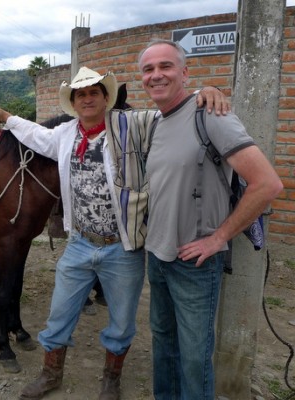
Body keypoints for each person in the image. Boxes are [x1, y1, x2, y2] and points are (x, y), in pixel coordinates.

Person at [0, 66, 227, 400]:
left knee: (122, 322)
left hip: (122, 248)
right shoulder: (66, 134)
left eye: (93, 93)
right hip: (80, 244)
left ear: (105, 98)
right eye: (80, 94)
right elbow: (36, 136)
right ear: (73, 102)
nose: (87, 99)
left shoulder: (132, 124)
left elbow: (172, 116)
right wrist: (8, 118)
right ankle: (50, 373)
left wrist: (206, 90)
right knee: (59, 314)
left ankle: (111, 380)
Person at [138, 38, 284, 399]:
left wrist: (219, 238)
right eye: (148, 69)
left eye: (166, 66)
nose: (156, 75)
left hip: (195, 263)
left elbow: (267, 184)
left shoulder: (211, 115)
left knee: (193, 358)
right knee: (163, 344)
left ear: (185, 73)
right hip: (156, 256)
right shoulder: (155, 122)